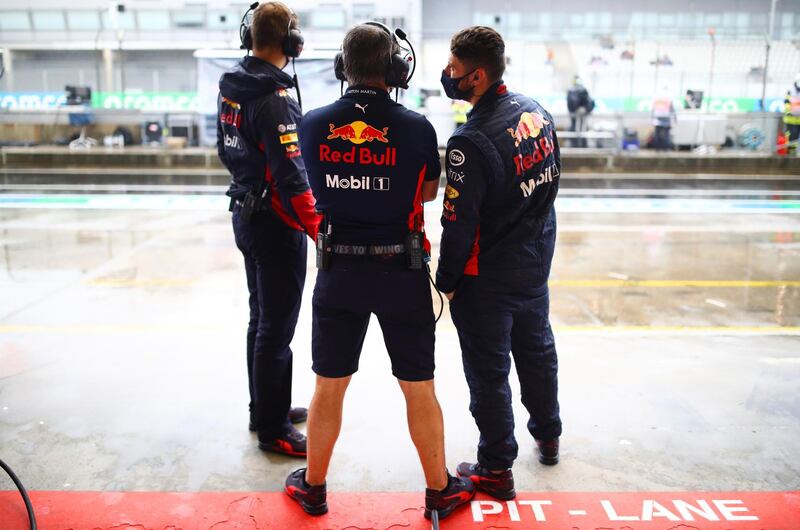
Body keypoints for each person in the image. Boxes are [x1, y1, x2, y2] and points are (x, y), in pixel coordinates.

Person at [284, 22, 474, 520]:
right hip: (401, 271)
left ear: (343, 68)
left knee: (329, 384)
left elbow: (315, 183)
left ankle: (314, 486)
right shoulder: (416, 128)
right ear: (396, 68)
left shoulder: (311, 124)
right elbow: (428, 192)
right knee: (418, 386)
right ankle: (439, 489)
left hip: (338, 272)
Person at [437, 26, 562, 501]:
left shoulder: (469, 142)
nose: (448, 76)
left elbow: (457, 223)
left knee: (488, 372)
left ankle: (495, 468)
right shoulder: (537, 112)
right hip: (535, 260)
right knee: (537, 351)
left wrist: (446, 281)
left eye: (453, 69)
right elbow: (550, 188)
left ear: (479, 75)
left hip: (488, 276)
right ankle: (548, 435)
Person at [216, 1, 320, 458]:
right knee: (276, 328)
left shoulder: (232, 87)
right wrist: (321, 230)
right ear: (291, 44)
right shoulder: (275, 100)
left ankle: (266, 407)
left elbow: (226, 149)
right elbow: (293, 179)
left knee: (261, 321)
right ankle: (274, 427)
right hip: (276, 225)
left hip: (245, 211)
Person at [566, 75, 593, 147]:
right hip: (576, 115)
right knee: (576, 129)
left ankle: (579, 146)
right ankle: (578, 145)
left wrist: (583, 109)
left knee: (580, 129)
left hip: (580, 115)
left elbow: (588, 103)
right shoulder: (576, 90)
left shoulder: (574, 90)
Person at [783, 74, 800, 154]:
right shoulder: (790, 91)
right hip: (791, 120)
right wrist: (789, 112)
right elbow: (786, 103)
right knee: (792, 138)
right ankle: (792, 153)